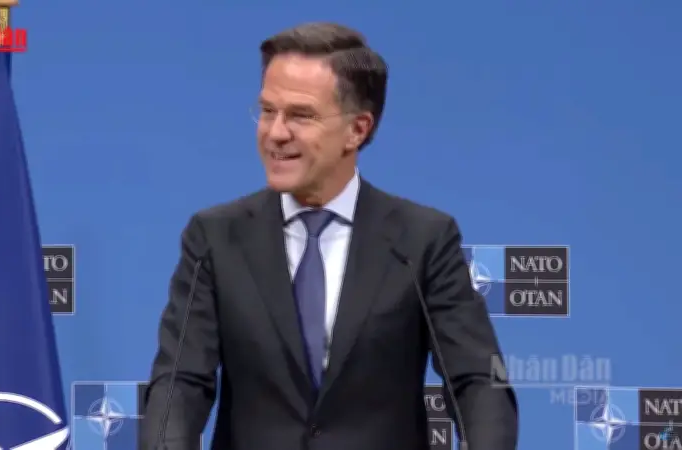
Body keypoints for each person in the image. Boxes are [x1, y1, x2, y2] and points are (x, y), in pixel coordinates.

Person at [141, 22, 518, 450]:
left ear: (357, 129)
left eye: (300, 115)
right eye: (267, 111)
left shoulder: (422, 240)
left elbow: (477, 379)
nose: (276, 133)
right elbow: (179, 382)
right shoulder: (214, 236)